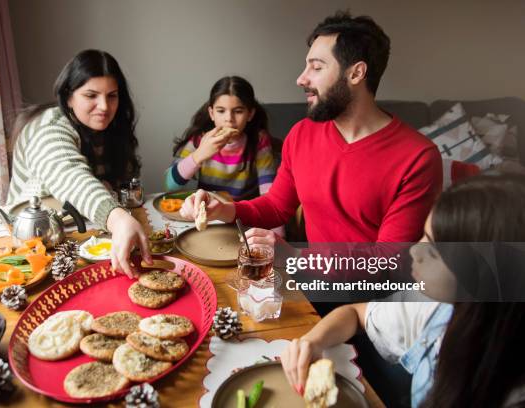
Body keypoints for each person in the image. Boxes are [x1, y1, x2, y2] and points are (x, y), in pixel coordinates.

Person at [179, 12, 442, 244]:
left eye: (316, 67)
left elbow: (388, 262)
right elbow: (276, 206)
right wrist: (224, 210)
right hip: (312, 283)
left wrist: (292, 258)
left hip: (371, 297)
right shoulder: (302, 133)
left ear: (356, 73)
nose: (301, 78)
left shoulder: (418, 158)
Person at [280, 174, 525, 408]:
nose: (413, 252)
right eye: (423, 237)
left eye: (433, 251)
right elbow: (355, 314)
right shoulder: (432, 306)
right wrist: (311, 342)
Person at [7, 49, 152, 277]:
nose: (104, 106)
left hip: (82, 233)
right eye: (91, 95)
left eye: (112, 95)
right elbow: (70, 175)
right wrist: (117, 218)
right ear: (68, 97)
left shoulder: (108, 128)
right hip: (32, 246)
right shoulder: (48, 128)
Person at [165, 76, 277, 201]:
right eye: (221, 111)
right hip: (207, 213)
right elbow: (170, 185)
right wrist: (199, 154)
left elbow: (268, 192)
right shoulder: (199, 140)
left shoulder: (259, 140)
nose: (229, 118)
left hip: (242, 214)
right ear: (212, 113)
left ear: (250, 114)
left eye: (238, 111)